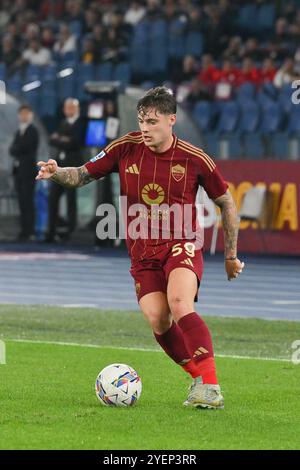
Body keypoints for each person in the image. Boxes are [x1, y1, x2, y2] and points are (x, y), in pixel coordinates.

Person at [36, 87, 244, 409]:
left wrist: (230, 256)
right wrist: (56, 173)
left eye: (152, 121)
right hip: (142, 252)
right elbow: (80, 175)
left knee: (179, 303)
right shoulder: (125, 148)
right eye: (141, 121)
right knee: (158, 319)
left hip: (181, 243)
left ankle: (212, 387)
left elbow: (227, 204)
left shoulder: (195, 158)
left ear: (171, 120)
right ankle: (197, 377)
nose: (145, 128)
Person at [45, 98, 83, 242]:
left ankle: (71, 232)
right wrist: (63, 139)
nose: (69, 110)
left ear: (77, 108)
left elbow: (74, 143)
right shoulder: (63, 123)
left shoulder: (81, 123)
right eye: (66, 107)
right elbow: (52, 140)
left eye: (72, 107)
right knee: (53, 198)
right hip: (59, 168)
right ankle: (51, 232)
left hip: (73, 168)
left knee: (71, 199)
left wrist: (60, 139)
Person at [9, 104, 39, 241]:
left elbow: (24, 147)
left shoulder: (33, 131)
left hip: (28, 171)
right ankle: (24, 231)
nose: (24, 116)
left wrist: (17, 148)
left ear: (30, 115)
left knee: (28, 201)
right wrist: (17, 148)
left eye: (26, 113)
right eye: (22, 114)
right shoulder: (18, 132)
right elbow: (12, 150)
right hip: (18, 172)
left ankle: (30, 231)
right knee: (21, 201)